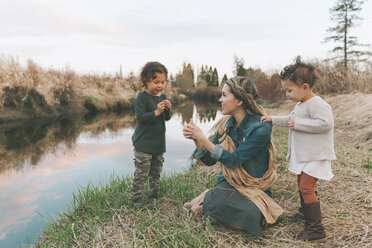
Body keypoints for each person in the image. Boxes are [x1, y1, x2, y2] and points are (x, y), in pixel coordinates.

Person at [183, 76, 283, 238]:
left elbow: (234, 159)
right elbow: (209, 160)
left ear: (239, 101)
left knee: (247, 218)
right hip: (229, 182)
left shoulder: (261, 128)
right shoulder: (225, 125)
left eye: (224, 95)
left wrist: (203, 138)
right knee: (220, 201)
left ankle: (207, 199)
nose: (219, 99)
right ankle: (211, 197)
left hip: (254, 187)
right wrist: (197, 141)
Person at [261, 57, 336, 242]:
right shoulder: (301, 104)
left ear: (305, 87)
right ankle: (306, 214)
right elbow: (290, 119)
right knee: (301, 184)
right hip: (305, 155)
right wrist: (272, 118)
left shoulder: (317, 103)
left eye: (289, 90)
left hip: (315, 155)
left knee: (306, 188)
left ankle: (316, 230)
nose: (287, 94)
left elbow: (326, 123)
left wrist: (299, 123)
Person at [131, 61, 172, 208]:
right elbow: (141, 119)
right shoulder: (141, 98)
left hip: (158, 144)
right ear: (146, 81)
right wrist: (156, 112)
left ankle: (153, 196)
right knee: (142, 173)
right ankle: (135, 199)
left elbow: (167, 118)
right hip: (143, 144)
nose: (160, 85)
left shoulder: (162, 97)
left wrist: (167, 110)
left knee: (156, 172)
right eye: (156, 82)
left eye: (162, 82)